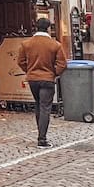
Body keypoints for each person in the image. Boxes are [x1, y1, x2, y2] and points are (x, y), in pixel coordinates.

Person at [17, 17, 67, 147]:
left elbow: (20, 62)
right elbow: (62, 64)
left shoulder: (26, 44)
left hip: (33, 79)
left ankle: (41, 134)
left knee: (38, 105)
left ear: (35, 27)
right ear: (49, 28)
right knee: (45, 107)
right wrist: (54, 73)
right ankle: (42, 138)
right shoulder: (55, 45)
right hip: (47, 79)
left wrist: (29, 71)